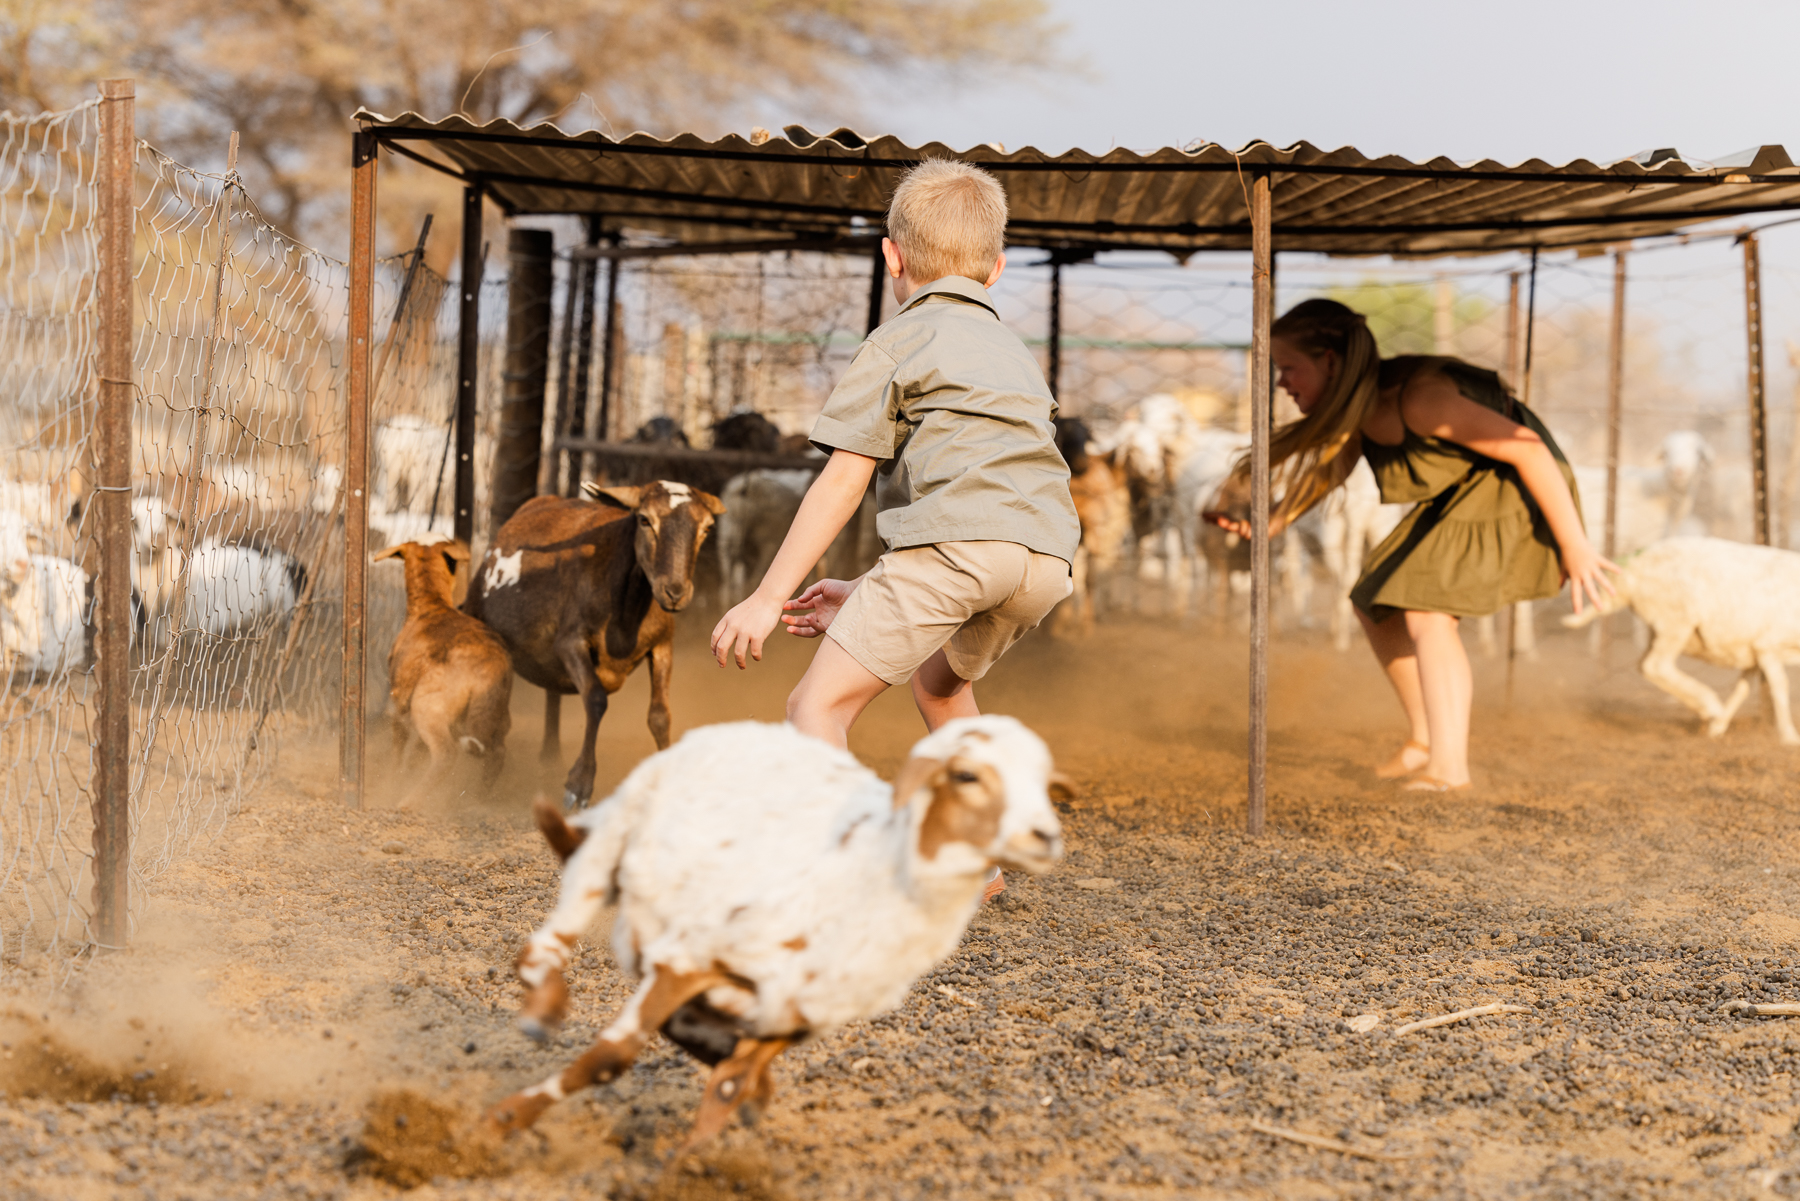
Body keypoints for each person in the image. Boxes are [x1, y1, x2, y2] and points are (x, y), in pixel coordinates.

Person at [710, 159, 1079, 892]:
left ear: (892, 254)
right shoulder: (1013, 353)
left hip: (955, 551)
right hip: (1045, 559)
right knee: (941, 689)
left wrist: (765, 595)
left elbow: (844, 481)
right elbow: (985, 497)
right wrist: (872, 588)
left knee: (814, 706)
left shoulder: (896, 342)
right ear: (997, 269)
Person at [1206, 299, 1614, 792]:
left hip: (1515, 488)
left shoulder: (1419, 400)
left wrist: (1575, 545)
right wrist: (1274, 521)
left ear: (1330, 361)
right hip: (1463, 493)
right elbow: (1335, 467)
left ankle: (1449, 768)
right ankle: (1424, 741)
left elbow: (1529, 450)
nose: (1281, 383)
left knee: (1426, 614)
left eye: (1289, 368)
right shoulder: (1362, 403)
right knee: (1374, 603)